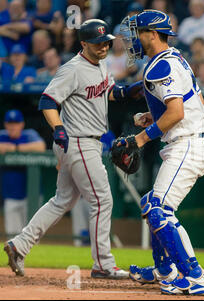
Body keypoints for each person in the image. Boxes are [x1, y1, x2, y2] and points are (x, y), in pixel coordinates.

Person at [3, 19, 143, 279]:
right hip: (77, 141)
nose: (103, 47)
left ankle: (19, 245)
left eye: (106, 42)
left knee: (62, 200)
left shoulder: (102, 64)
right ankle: (103, 264)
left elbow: (109, 92)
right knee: (102, 199)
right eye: (98, 43)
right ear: (83, 44)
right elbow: (47, 101)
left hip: (87, 141)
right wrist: (58, 128)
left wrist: (130, 91)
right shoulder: (72, 69)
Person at [121, 10, 204, 296]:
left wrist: (138, 139)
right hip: (189, 141)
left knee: (158, 209)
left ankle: (195, 276)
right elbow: (196, 101)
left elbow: (176, 112)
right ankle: (165, 271)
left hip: (187, 144)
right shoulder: (176, 58)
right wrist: (154, 116)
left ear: (152, 34)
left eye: (138, 33)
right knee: (153, 204)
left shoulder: (159, 67)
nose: (134, 39)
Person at [0, 109, 46, 237]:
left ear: (22, 124)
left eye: (16, 123)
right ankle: (16, 258)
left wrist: (15, 149)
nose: (13, 126)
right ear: (5, 124)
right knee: (13, 235)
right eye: (10, 123)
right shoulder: (2, 135)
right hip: (11, 195)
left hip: (32, 195)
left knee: (33, 235)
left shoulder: (29, 135)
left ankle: (35, 257)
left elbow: (41, 147)